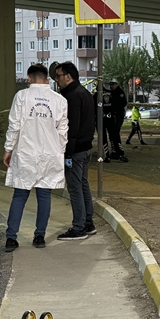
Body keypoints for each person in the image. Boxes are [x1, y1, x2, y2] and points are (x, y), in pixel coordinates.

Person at [3, 64, 68, 252]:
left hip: (25, 152)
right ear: (46, 78)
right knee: (44, 195)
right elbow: (63, 130)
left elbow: (14, 125)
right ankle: (39, 236)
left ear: (29, 78)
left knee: (20, 195)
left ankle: (11, 237)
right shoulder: (59, 100)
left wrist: (8, 149)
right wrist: (59, 151)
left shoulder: (22, 97)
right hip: (49, 153)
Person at [52, 61, 96, 241]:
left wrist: (67, 152)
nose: (56, 80)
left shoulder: (71, 97)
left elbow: (71, 127)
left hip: (76, 151)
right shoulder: (85, 93)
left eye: (58, 76)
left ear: (68, 77)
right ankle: (88, 223)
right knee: (83, 184)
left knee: (75, 188)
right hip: (86, 148)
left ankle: (79, 228)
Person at [102, 80, 128, 161]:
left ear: (117, 84)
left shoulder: (119, 92)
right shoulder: (111, 93)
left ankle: (117, 151)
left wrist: (116, 111)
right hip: (112, 116)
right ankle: (115, 151)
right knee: (113, 134)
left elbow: (123, 103)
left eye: (112, 84)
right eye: (110, 85)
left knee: (115, 134)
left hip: (117, 116)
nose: (111, 86)